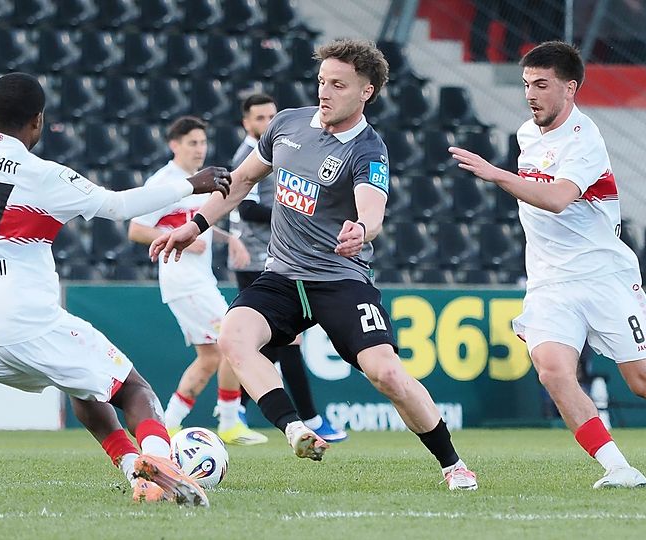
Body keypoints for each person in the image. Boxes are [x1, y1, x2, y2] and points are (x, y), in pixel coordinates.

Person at [151, 39, 478, 491]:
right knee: (233, 336)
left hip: (340, 279)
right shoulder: (286, 125)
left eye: (338, 85)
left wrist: (361, 230)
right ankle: (294, 429)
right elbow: (240, 182)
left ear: (366, 92)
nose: (324, 91)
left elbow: (373, 211)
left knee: (387, 373)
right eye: (322, 81)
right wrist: (196, 225)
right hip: (282, 276)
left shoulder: (368, 149)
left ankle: (453, 464)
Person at [0, 73, 232, 506]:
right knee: (133, 388)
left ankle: (135, 469)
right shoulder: (44, 175)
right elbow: (118, 206)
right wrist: (192, 184)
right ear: (38, 121)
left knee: (84, 385)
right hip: (28, 327)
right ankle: (163, 463)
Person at [449, 41, 646, 489]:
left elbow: (558, 198)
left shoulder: (585, 139)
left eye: (541, 85)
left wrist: (497, 174)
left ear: (570, 88)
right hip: (550, 282)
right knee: (553, 371)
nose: (530, 95)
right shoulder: (528, 134)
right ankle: (617, 467)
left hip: (604, 277)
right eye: (526, 85)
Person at [128, 116, 268, 446]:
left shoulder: (200, 181)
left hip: (199, 280)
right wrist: (179, 238)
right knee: (235, 339)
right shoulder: (164, 182)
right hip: (184, 281)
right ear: (174, 145)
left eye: (203, 142)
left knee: (210, 358)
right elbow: (136, 229)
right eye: (192, 143)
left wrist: (228, 239)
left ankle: (168, 423)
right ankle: (230, 421)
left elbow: (197, 222)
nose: (199, 149)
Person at [230, 93, 347, 443]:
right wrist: (295, 213)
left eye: (271, 116)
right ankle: (307, 417)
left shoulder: (282, 147)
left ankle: (236, 411)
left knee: (274, 341)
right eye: (260, 118)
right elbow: (247, 209)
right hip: (257, 257)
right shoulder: (247, 155)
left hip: (279, 256)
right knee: (285, 338)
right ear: (246, 123)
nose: (268, 123)